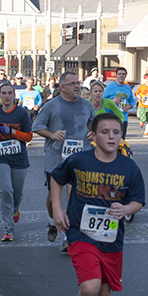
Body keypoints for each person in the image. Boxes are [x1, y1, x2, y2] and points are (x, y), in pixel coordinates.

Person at [50, 112, 145, 296]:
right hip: (81, 233)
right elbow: (56, 179)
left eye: (116, 132)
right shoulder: (79, 160)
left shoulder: (128, 166)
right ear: (93, 136)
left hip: (111, 238)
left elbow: (138, 200)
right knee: (91, 287)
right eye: (105, 132)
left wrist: (125, 209)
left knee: (104, 293)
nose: (111, 137)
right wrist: (58, 210)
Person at [31, 71, 95, 250]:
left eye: (78, 83)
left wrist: (92, 133)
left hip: (79, 158)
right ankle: (52, 221)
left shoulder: (86, 105)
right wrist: (52, 134)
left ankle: (70, 235)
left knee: (71, 195)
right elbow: (36, 126)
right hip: (56, 159)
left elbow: (94, 124)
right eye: (73, 84)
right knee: (53, 198)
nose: (77, 87)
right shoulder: (52, 105)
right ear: (63, 87)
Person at [0, 83, 34, 241]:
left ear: (14, 95)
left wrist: (12, 132)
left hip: (19, 158)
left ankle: (16, 208)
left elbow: (29, 136)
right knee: (6, 191)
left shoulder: (21, 113)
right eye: (3, 93)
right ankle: (8, 229)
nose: (6, 96)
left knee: (16, 194)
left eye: (9, 93)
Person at [102, 67, 135, 140]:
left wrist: (128, 106)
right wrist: (112, 102)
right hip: (111, 117)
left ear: (126, 76)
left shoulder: (128, 88)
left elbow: (132, 101)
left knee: (121, 141)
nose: (121, 76)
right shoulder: (109, 87)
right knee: (111, 139)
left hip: (123, 118)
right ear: (116, 75)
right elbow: (102, 101)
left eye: (123, 74)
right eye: (119, 74)